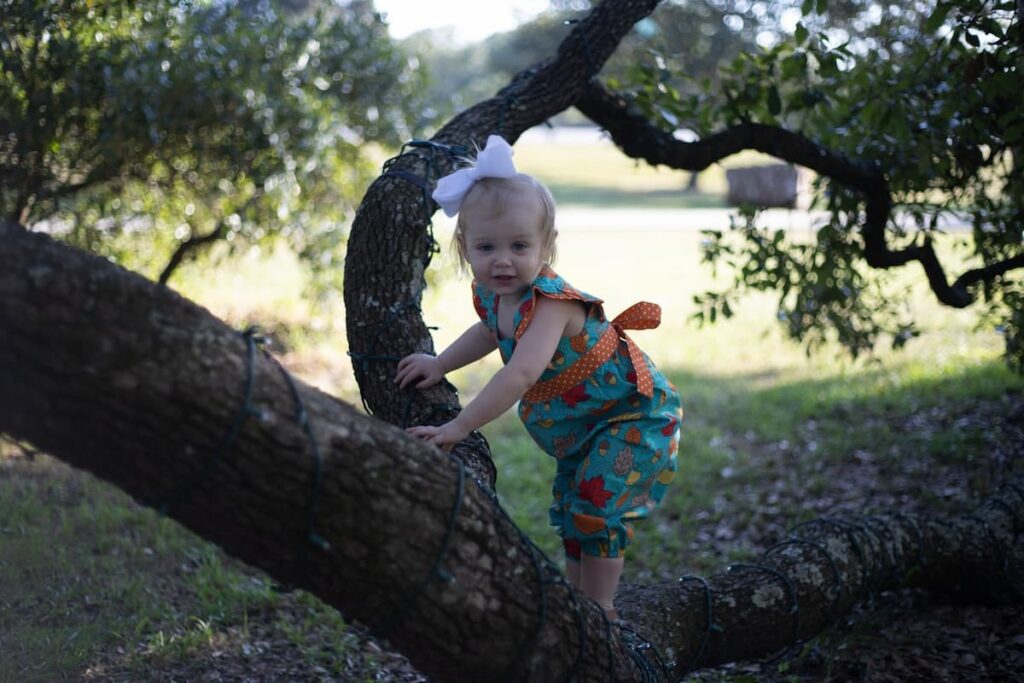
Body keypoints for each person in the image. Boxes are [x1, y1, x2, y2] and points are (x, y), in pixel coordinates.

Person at [395, 135, 681, 620]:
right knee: (574, 509)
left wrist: (459, 426)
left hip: (633, 415)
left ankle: (601, 609)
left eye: (519, 245)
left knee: (598, 504)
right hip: (585, 424)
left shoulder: (552, 303)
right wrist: (440, 364)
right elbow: (489, 333)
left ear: (546, 247)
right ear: (465, 248)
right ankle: (577, 605)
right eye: (486, 247)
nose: (502, 260)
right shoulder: (494, 294)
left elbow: (523, 372)